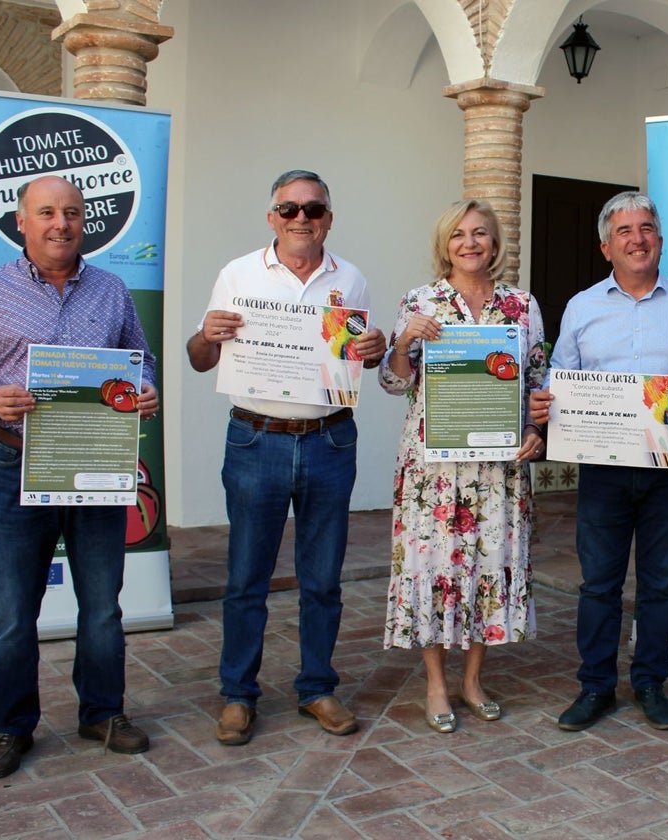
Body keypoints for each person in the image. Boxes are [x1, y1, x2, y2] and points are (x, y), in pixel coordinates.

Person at [0, 175, 159, 779]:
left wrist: (146, 389)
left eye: (70, 212)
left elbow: (143, 360)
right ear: (22, 222)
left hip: (94, 464)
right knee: (12, 608)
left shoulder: (111, 290)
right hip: (16, 465)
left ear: (84, 220)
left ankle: (103, 712)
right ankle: (10, 727)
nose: (60, 223)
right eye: (46, 212)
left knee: (102, 605)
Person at [187, 169, 386, 745]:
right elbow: (201, 358)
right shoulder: (238, 274)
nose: (303, 218)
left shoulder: (350, 280)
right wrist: (207, 333)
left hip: (329, 438)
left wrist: (372, 350)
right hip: (257, 439)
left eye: (314, 209)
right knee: (247, 575)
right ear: (272, 216)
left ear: (329, 216)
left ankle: (317, 688)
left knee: (323, 578)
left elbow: (361, 361)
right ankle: (237, 695)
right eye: (290, 208)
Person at [529, 191, 668, 732]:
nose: (637, 238)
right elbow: (559, 378)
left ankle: (649, 682)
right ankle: (595, 686)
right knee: (599, 583)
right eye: (624, 231)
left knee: (662, 583)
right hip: (602, 468)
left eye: (646, 228)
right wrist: (545, 400)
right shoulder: (581, 307)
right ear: (606, 246)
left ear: (660, 241)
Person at [379, 199, 547, 733]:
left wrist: (536, 430)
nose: (470, 243)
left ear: (495, 244)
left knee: (487, 566)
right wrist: (405, 340)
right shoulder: (420, 300)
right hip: (435, 469)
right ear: (444, 245)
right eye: (458, 235)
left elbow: (538, 381)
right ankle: (434, 684)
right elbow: (394, 381)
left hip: (498, 466)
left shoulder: (521, 305)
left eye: (480, 233)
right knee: (432, 567)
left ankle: (473, 680)